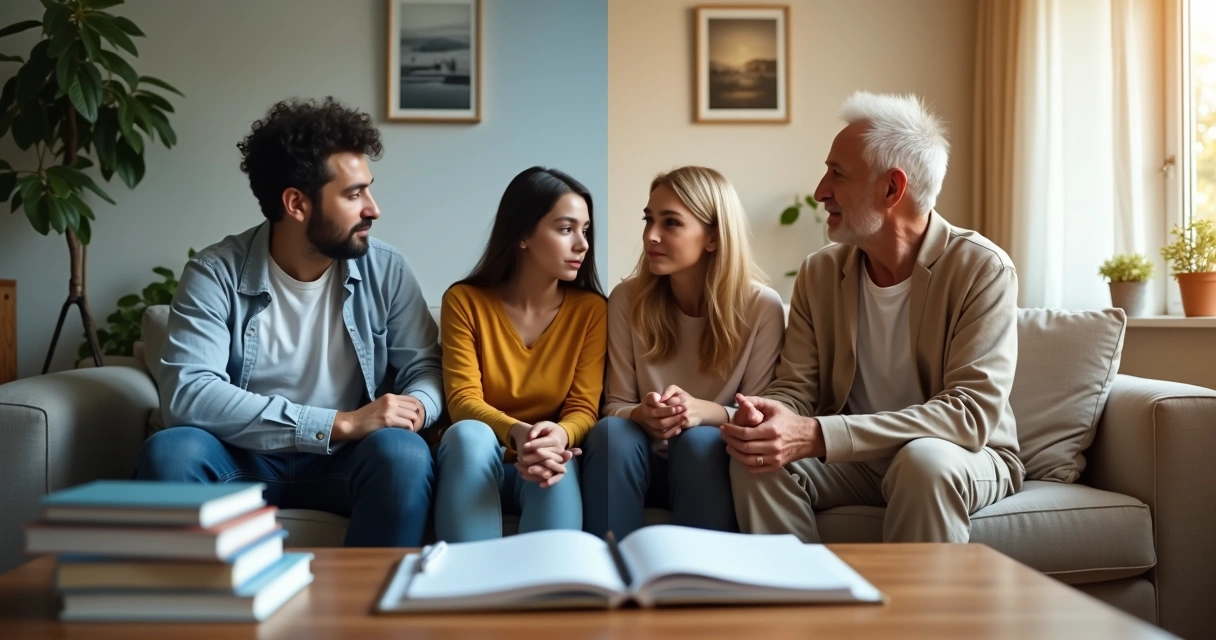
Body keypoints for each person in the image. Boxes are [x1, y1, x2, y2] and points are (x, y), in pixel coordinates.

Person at [133, 97, 441, 547]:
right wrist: (340, 422)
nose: (373, 208)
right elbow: (189, 393)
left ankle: (372, 611)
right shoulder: (214, 273)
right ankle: (200, 613)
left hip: (343, 463)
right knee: (172, 452)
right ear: (296, 203)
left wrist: (414, 409)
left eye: (368, 189)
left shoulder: (387, 269)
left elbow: (425, 370)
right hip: (240, 460)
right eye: (354, 194)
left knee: (404, 454)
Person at [725, 91, 1023, 543]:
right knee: (758, 460)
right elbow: (797, 387)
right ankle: (800, 601)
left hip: (963, 454)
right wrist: (774, 417)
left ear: (891, 189)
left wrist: (818, 435)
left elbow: (969, 415)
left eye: (837, 174)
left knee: (923, 462)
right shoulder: (820, 271)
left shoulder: (982, 268)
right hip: (856, 461)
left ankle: (918, 617)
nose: (820, 191)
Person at [580, 166, 785, 539]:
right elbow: (614, 405)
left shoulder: (762, 307)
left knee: (700, 439)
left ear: (713, 238)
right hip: (636, 460)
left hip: (707, 462)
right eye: (649, 220)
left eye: (671, 223)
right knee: (612, 432)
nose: (651, 236)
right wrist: (643, 413)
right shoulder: (628, 299)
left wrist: (705, 412)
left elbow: (762, 415)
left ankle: (698, 579)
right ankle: (608, 571)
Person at [434, 166, 607, 541]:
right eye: (566, 229)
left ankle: (547, 591)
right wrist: (518, 433)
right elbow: (462, 400)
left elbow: (584, 408)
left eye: (585, 230)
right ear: (523, 234)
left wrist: (557, 437)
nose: (582, 244)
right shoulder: (464, 301)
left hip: (548, 458)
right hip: (479, 458)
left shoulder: (592, 311)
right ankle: (467, 588)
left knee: (555, 465)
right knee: (468, 436)